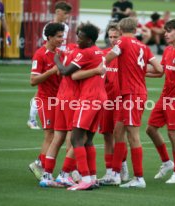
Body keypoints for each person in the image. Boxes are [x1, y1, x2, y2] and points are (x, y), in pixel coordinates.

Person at [103, 17, 163, 188]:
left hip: (131, 94)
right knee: (118, 131)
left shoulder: (122, 43)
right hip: (134, 93)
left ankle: (139, 178)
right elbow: (159, 70)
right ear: (135, 30)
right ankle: (115, 174)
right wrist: (140, 70)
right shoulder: (143, 46)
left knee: (133, 136)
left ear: (121, 30)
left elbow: (107, 59)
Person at [54, 22, 107, 191]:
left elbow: (65, 71)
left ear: (90, 40)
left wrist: (55, 58)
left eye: (81, 37)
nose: (78, 40)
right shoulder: (98, 51)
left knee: (76, 138)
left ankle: (84, 179)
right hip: (100, 96)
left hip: (89, 97)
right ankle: (91, 177)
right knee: (88, 140)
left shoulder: (86, 53)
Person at [146, 19, 175, 184]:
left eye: (168, 31)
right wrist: (139, 71)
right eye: (165, 31)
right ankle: (167, 163)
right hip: (164, 98)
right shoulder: (167, 50)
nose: (165, 34)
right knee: (150, 129)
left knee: (173, 133)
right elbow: (160, 73)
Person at [27, 1, 72, 130]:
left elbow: (62, 45)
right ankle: (32, 118)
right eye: (65, 14)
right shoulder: (49, 27)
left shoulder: (65, 27)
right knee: (42, 90)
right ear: (58, 12)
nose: (67, 17)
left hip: (60, 58)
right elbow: (48, 45)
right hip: (50, 58)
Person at [28, 23, 64, 181]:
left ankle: (40, 163)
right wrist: (50, 71)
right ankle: (40, 166)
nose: (61, 39)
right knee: (50, 135)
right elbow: (33, 80)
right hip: (45, 99)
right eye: (58, 36)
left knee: (59, 135)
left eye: (62, 36)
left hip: (60, 99)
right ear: (49, 37)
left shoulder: (60, 53)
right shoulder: (40, 54)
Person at [98, 23, 129, 183]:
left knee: (119, 135)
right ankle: (110, 172)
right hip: (106, 102)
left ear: (121, 37)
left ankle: (120, 168)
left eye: (115, 37)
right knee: (107, 136)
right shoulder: (104, 55)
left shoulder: (125, 56)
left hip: (122, 102)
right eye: (110, 37)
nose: (112, 40)